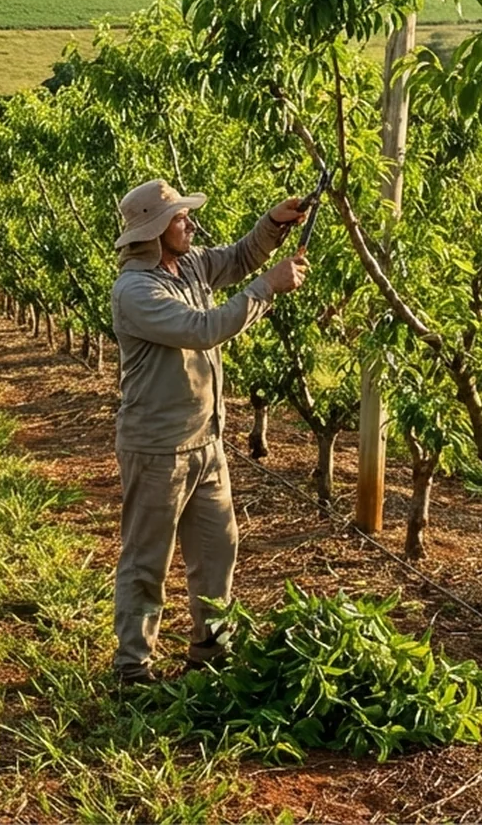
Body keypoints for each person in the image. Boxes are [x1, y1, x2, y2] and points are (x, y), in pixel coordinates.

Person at [109, 178, 311, 684]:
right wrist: (268, 287)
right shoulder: (136, 290)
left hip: (206, 439)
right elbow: (203, 330)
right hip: (158, 447)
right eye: (180, 218)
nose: (190, 224)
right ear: (154, 230)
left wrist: (273, 224)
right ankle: (133, 669)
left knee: (218, 550)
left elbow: (239, 257)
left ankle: (211, 653)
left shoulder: (190, 265)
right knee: (147, 561)